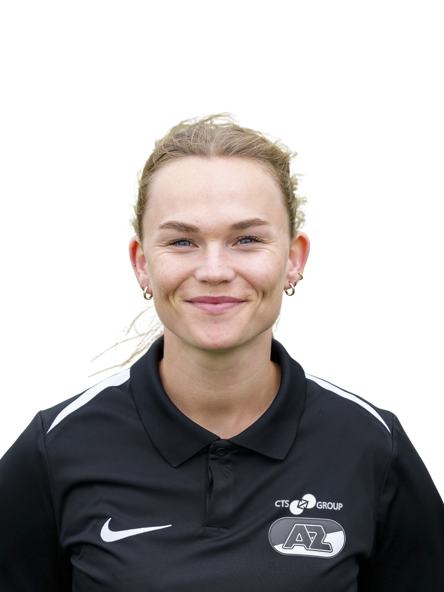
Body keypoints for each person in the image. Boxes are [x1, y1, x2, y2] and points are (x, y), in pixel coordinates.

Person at [1, 110, 443, 591]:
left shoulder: (374, 445)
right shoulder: (52, 447)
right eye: (182, 241)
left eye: (246, 239)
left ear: (294, 258)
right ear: (140, 262)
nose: (214, 270)